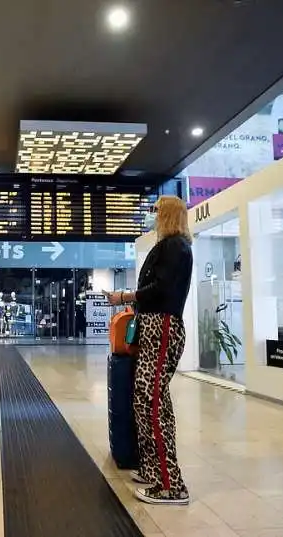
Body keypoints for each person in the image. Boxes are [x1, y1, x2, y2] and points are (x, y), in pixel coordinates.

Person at [105, 195, 193, 506]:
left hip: (162, 327)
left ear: (167, 213)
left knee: (152, 401)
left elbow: (161, 289)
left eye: (155, 211)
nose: (151, 216)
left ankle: (170, 485)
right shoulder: (170, 246)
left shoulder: (176, 247)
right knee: (146, 399)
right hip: (154, 326)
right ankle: (153, 470)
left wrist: (125, 296)